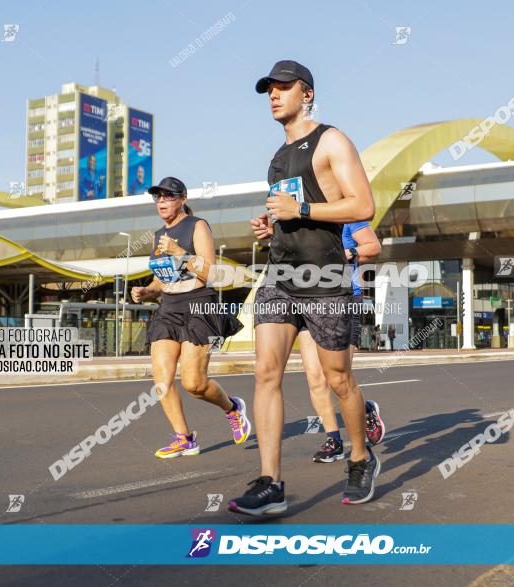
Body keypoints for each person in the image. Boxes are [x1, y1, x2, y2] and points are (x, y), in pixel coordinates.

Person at [229, 60, 378, 516]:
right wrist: (270, 224)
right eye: (268, 90)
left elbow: (363, 205)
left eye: (282, 88)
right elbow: (286, 212)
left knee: (337, 378)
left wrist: (303, 210)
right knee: (266, 374)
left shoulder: (332, 140)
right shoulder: (277, 156)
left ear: (306, 94)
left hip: (325, 277)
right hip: (280, 276)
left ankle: (359, 455)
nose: (273, 95)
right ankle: (271, 482)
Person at [130, 176, 249, 458]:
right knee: (161, 380)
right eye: (158, 197)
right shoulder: (159, 235)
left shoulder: (197, 226)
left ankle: (232, 408)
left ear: (182, 199)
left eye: (168, 196)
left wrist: (181, 253)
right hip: (168, 308)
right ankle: (184, 438)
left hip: (198, 305)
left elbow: (209, 273)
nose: (161, 201)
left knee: (194, 383)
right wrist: (148, 290)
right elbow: (163, 276)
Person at [298, 221, 386, 463]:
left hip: (343, 298)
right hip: (305, 300)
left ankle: (365, 410)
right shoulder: (299, 216)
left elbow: (372, 245)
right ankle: (334, 440)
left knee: (338, 377)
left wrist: (349, 252)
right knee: (314, 377)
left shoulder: (347, 215)